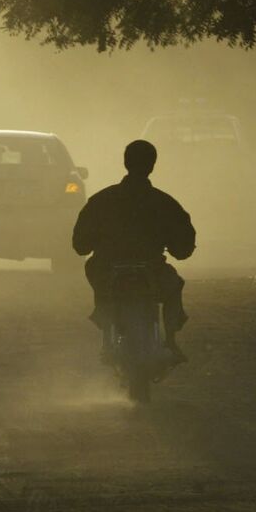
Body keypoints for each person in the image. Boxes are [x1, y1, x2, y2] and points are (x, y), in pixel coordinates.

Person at [71, 139, 196, 357]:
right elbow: (183, 247)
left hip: (107, 268)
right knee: (174, 287)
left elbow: (80, 245)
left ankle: (106, 333)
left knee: (101, 284)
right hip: (152, 270)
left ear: (125, 162)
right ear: (152, 165)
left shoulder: (101, 201)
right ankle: (170, 341)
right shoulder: (165, 203)